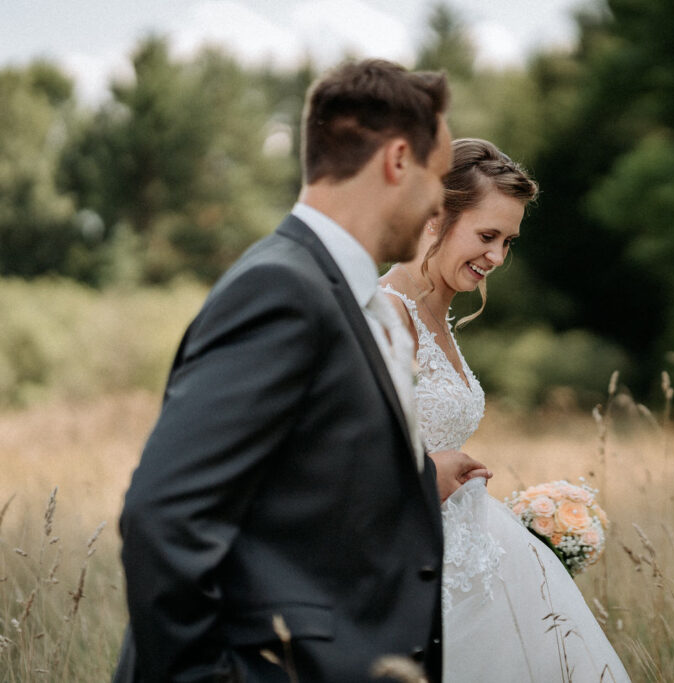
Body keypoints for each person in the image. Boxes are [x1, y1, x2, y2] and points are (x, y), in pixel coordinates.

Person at [114, 59, 486, 683]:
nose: (436, 206)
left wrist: (420, 480)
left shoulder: (342, 291)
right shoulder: (280, 289)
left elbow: (307, 491)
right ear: (398, 160)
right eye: (438, 177)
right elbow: (165, 516)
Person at [379, 138, 631, 682]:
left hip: (477, 553)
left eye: (507, 241)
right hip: (414, 566)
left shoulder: (439, 320)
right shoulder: (384, 315)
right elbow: (337, 457)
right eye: (486, 236)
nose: (497, 257)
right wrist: (425, 474)